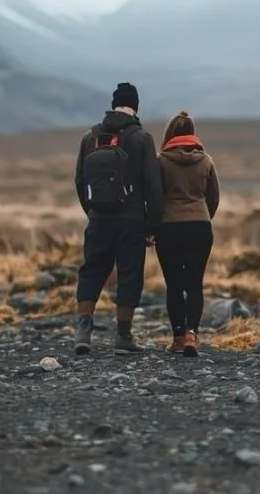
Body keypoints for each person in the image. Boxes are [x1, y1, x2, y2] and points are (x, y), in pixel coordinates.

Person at [73, 82, 164, 355]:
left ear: (114, 104)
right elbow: (153, 186)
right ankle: (123, 337)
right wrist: (152, 226)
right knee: (129, 275)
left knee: (91, 271)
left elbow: (79, 180)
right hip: (131, 221)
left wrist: (91, 210)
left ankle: (83, 332)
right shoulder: (142, 138)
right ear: (135, 106)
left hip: (99, 220)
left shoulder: (89, 137)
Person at [155, 110, 220, 357]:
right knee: (195, 283)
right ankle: (193, 333)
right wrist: (203, 215)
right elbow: (214, 196)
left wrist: (153, 225)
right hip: (199, 226)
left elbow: (155, 196)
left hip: (168, 227)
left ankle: (178, 337)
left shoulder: (160, 161)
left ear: (170, 133)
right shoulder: (206, 161)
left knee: (173, 284)